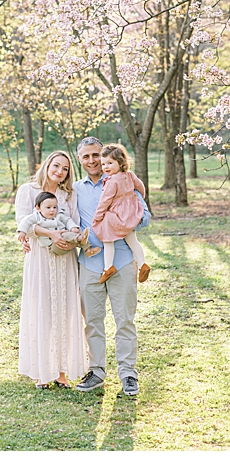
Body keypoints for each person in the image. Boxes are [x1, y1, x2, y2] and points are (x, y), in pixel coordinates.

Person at [72, 136, 150, 397]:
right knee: (92, 321)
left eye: (96, 155)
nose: (93, 161)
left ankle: (128, 373)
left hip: (123, 261)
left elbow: (145, 216)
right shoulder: (75, 189)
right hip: (91, 263)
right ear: (80, 159)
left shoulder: (125, 179)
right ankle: (96, 370)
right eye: (86, 156)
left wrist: (123, 221)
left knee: (124, 320)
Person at [15, 151, 88, 389]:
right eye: (56, 166)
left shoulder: (69, 194)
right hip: (39, 257)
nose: (60, 171)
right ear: (47, 165)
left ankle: (62, 371)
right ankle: (41, 370)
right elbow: (24, 224)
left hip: (64, 257)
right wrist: (50, 234)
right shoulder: (28, 190)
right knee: (42, 308)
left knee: (64, 309)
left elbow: (73, 220)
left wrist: (72, 238)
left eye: (65, 168)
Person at [92, 143, 150, 284]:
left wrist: (97, 218)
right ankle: (143, 264)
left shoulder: (112, 181)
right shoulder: (129, 175)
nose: (106, 167)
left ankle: (108, 267)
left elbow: (104, 201)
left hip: (118, 215)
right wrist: (138, 197)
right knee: (132, 240)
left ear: (121, 162)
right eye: (103, 163)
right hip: (131, 214)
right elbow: (140, 186)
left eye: (110, 163)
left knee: (107, 239)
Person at [17, 191, 94, 256]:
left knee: (76, 231)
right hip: (53, 246)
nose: (52, 210)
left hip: (67, 242)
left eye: (54, 207)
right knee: (65, 234)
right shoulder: (36, 216)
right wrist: (22, 232)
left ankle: (88, 250)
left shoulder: (59, 215)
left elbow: (67, 220)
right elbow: (25, 221)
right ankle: (80, 238)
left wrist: (73, 227)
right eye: (48, 207)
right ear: (38, 208)